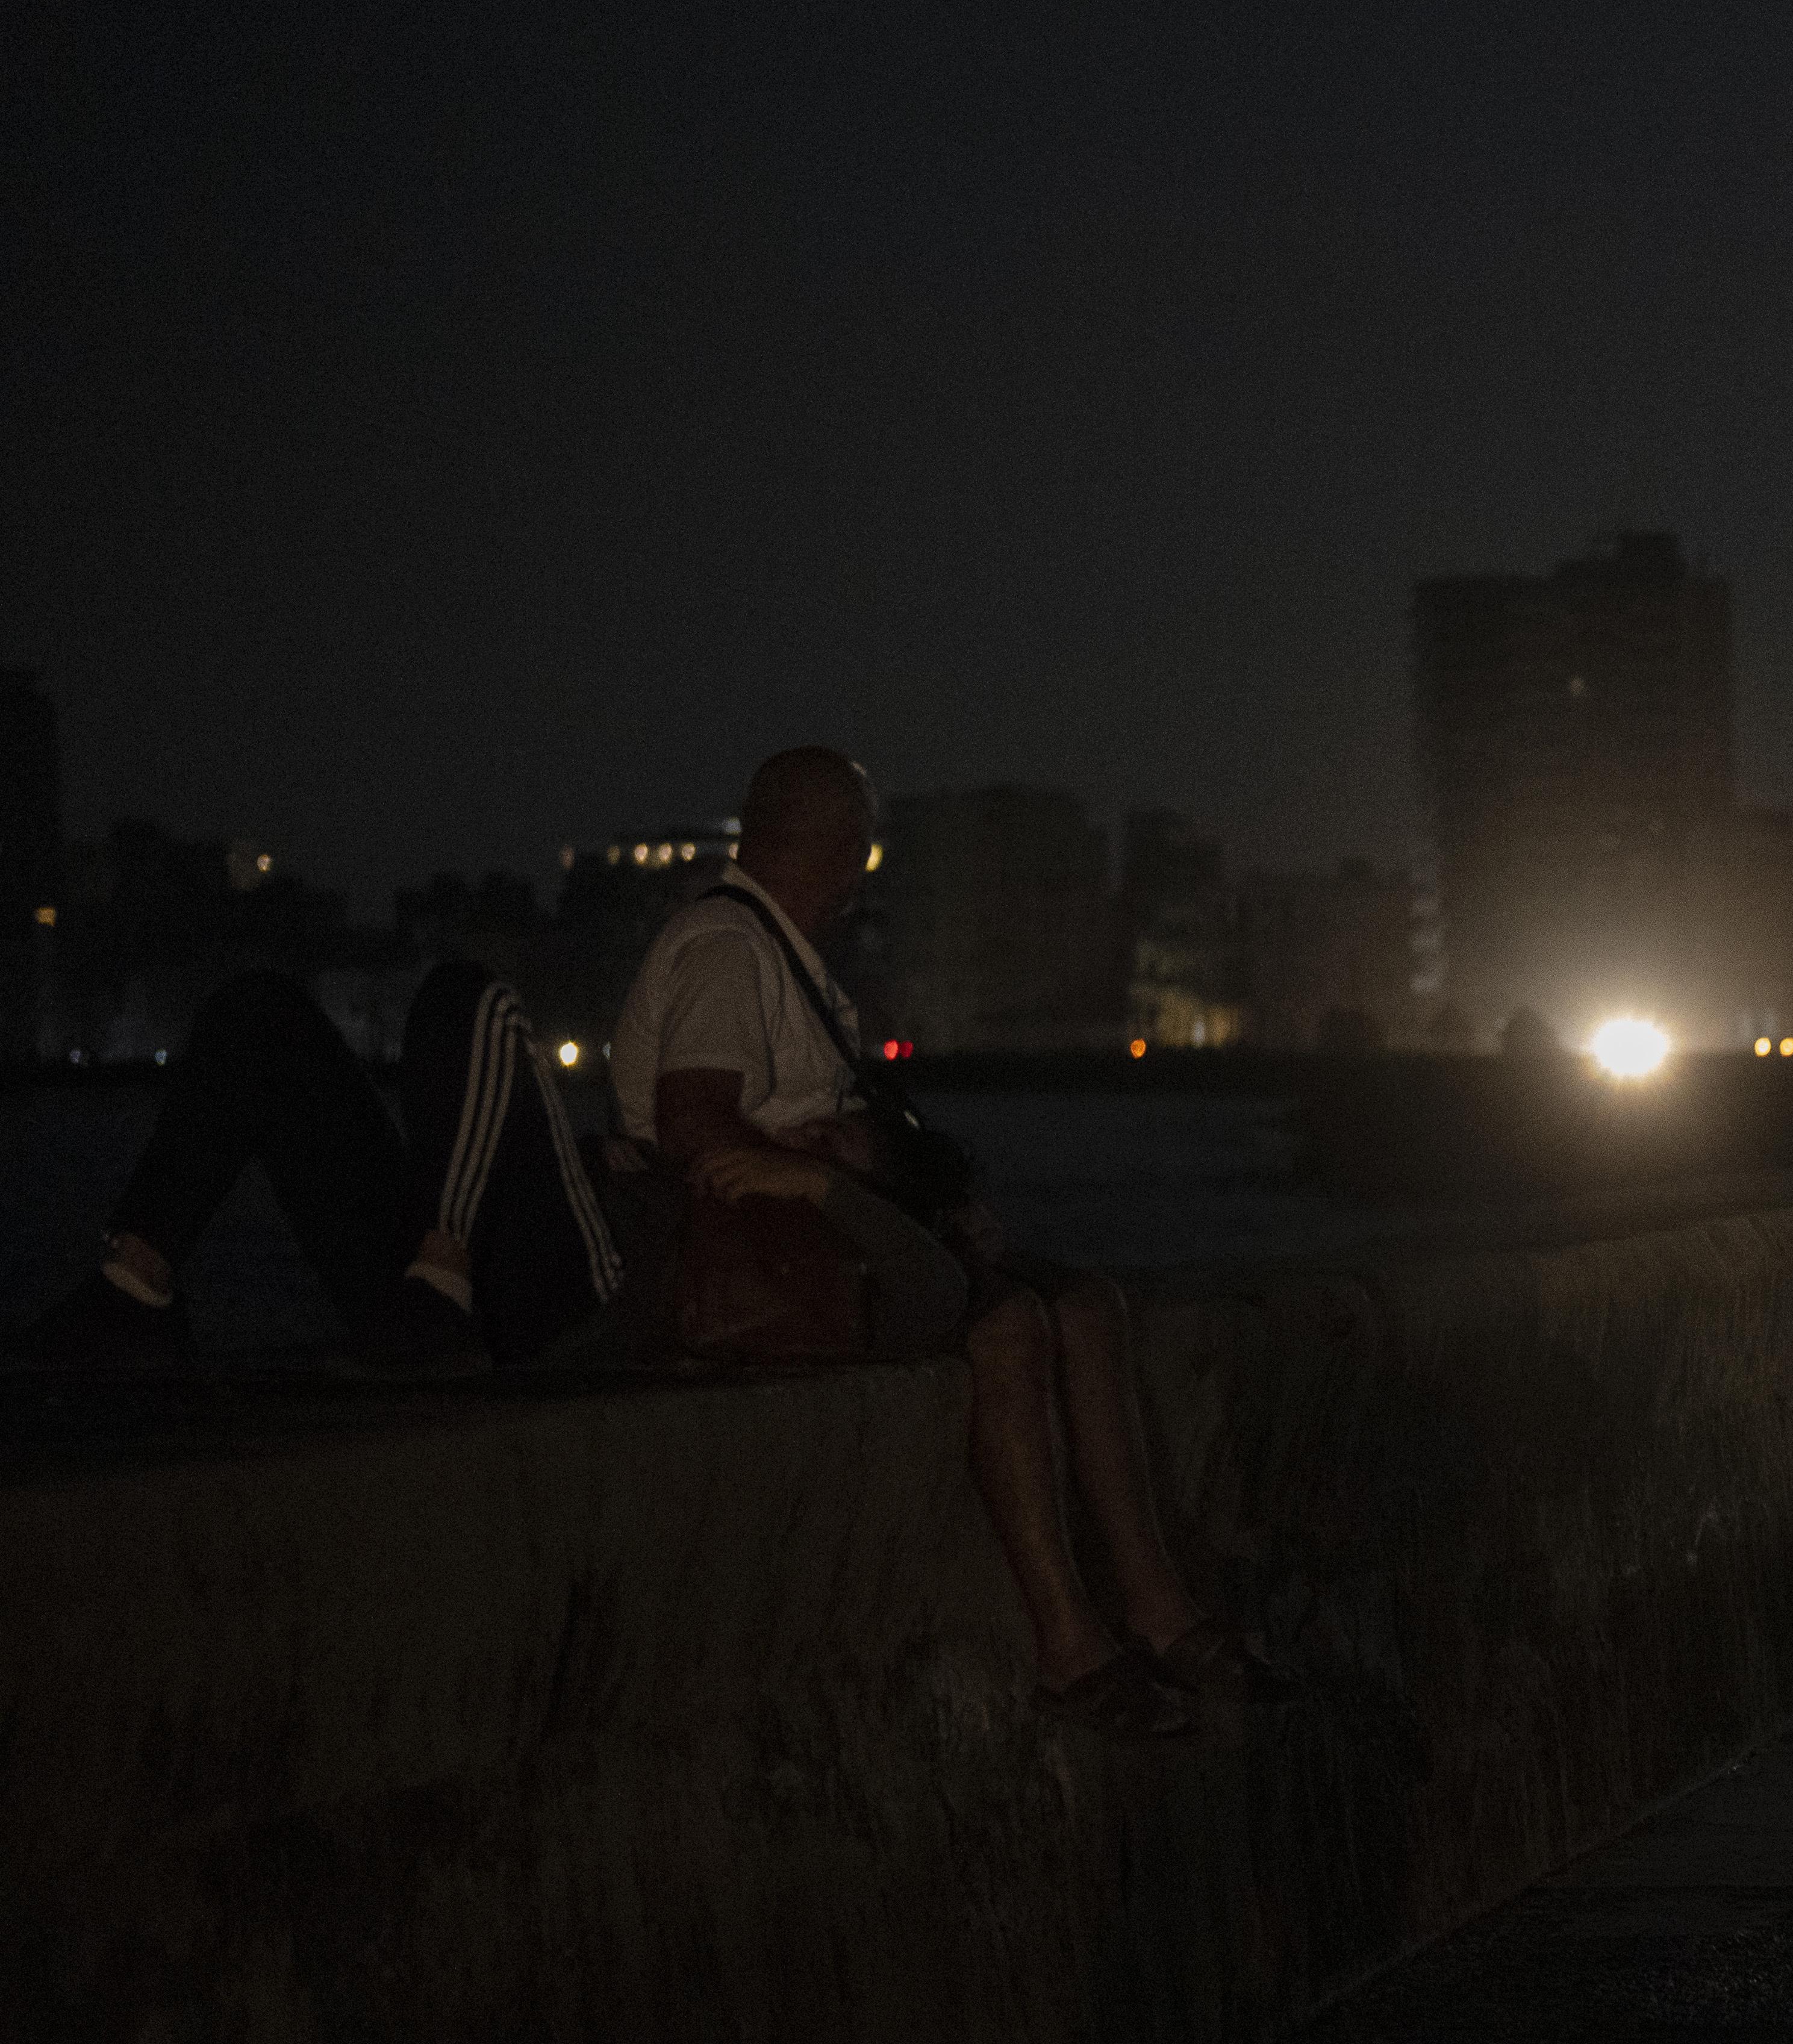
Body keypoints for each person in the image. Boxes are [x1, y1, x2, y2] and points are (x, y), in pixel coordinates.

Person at [618, 746, 1293, 1742]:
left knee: (1087, 1306)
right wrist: (827, 1167)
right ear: (848, 853)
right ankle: (1069, 1643)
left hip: (843, 1238)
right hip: (787, 1266)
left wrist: (886, 1171)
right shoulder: (729, 949)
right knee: (1009, 1326)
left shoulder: (777, 954)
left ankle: (1158, 1608)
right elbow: (691, 1121)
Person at [9, 962, 620, 1374]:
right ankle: (136, 1285)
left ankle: (441, 1289)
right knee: (259, 1012)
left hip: (575, 1294)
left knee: (473, 999)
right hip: (428, 1295)